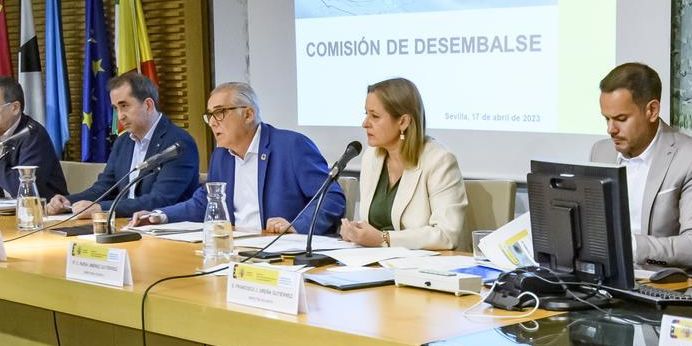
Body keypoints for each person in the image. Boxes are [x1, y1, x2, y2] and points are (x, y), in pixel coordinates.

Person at [130, 82, 344, 233]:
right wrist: (160, 216)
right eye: (210, 115)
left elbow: (331, 198)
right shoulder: (221, 156)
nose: (213, 122)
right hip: (235, 249)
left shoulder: (291, 146)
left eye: (220, 112)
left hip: (280, 253)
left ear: (248, 114)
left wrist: (297, 226)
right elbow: (205, 200)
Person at [596, 62, 692, 272]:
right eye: (606, 119)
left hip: (655, 283)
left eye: (621, 119)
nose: (610, 129)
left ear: (652, 110)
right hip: (600, 278)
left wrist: (632, 246)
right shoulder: (600, 152)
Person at [45, 72, 199, 219]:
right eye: (115, 109)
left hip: (163, 229)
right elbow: (104, 189)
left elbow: (159, 200)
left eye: (124, 106)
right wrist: (66, 201)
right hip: (123, 224)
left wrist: (101, 208)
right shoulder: (123, 142)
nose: (120, 116)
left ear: (148, 105)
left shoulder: (178, 144)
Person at [339, 77, 467, 250]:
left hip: (419, 268)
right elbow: (372, 227)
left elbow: (446, 235)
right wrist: (356, 232)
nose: (365, 124)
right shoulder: (371, 157)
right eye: (366, 114)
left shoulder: (440, 160)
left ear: (403, 122)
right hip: (375, 261)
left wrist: (383, 238)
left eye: (374, 116)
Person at [0, 76, 68, 199]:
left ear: (14, 108)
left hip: (46, 212)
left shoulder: (31, 134)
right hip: (7, 212)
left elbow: (22, 190)